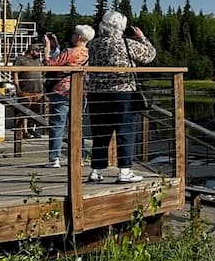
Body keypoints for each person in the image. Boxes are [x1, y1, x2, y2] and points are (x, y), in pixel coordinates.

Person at [85, 11, 156, 183]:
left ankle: (96, 170)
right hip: (122, 92)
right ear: (121, 27)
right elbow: (150, 55)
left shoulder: (93, 44)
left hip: (96, 94)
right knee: (125, 131)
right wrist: (142, 37)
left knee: (100, 132)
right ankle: (124, 171)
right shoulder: (127, 44)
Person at [42, 25, 93, 168]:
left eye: (74, 34)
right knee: (77, 126)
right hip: (80, 92)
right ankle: (79, 157)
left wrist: (47, 48)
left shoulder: (70, 52)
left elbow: (48, 64)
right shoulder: (89, 53)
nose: (72, 36)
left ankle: (54, 158)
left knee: (57, 125)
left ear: (79, 37)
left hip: (62, 91)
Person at [12, 43, 45, 137]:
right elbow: (15, 74)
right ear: (31, 51)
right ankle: (24, 131)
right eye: (37, 51)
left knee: (35, 111)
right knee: (24, 111)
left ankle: (32, 129)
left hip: (38, 90)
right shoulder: (20, 60)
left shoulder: (38, 61)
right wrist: (17, 88)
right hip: (25, 89)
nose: (39, 53)